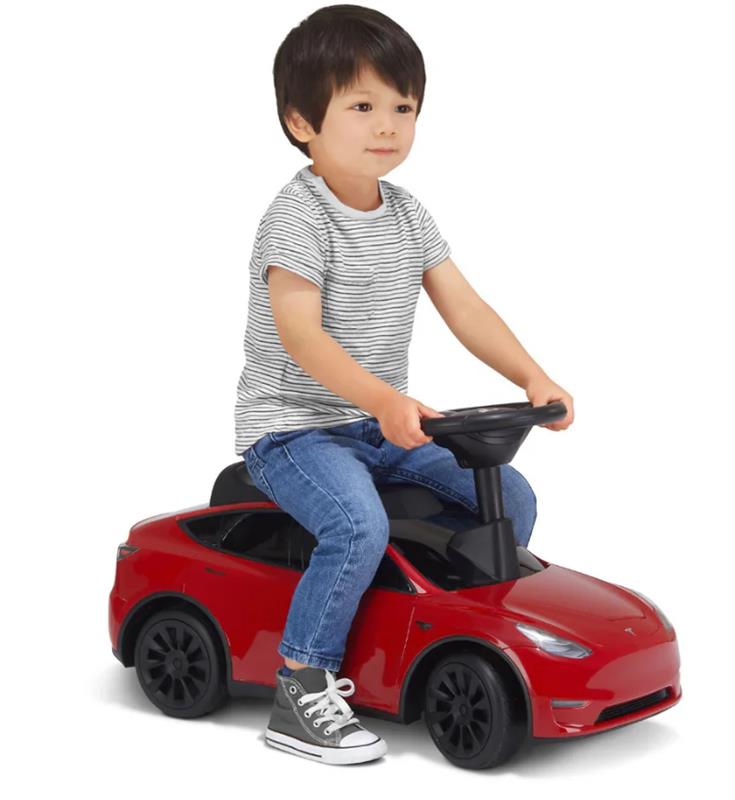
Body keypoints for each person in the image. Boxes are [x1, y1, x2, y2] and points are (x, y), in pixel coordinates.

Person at [234, 4, 575, 766]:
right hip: (293, 432)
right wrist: (384, 399)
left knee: (511, 498)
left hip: (378, 427)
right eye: (362, 107)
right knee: (358, 526)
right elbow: (302, 337)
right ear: (301, 122)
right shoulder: (296, 218)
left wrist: (531, 375)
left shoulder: (409, 215)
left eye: (403, 107)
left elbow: (466, 306)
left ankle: (443, 636)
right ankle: (301, 686)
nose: (387, 125)